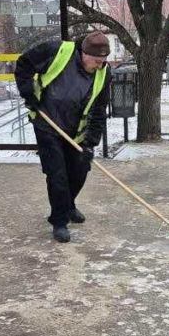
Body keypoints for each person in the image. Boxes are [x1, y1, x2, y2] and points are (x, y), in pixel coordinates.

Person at [15, 31, 111, 243]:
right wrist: (27, 92)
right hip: (47, 124)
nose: (100, 66)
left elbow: (99, 110)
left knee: (79, 170)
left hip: (76, 131)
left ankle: (68, 205)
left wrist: (90, 143)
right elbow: (24, 63)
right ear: (84, 53)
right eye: (97, 61)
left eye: (103, 61)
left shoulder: (104, 72)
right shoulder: (56, 51)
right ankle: (59, 221)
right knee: (57, 174)